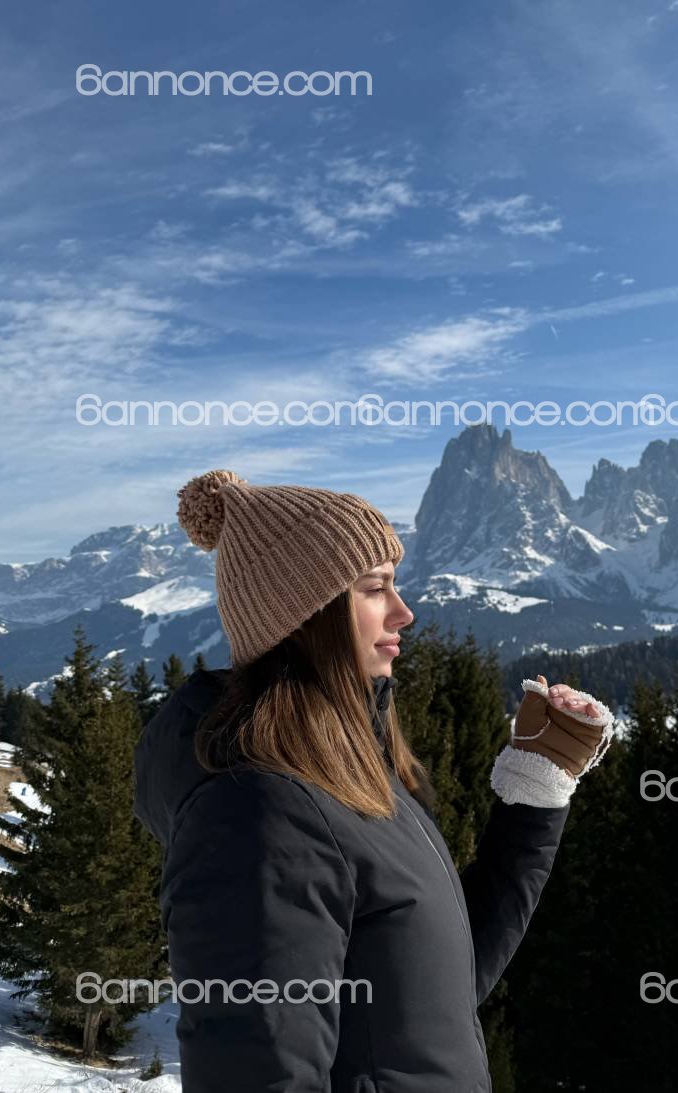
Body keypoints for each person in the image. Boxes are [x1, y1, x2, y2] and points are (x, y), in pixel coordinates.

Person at [133, 468, 614, 1092]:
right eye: (375, 588)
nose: (404, 612)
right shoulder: (256, 812)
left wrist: (535, 790)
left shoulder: (348, 774)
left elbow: (436, 989)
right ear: (306, 613)